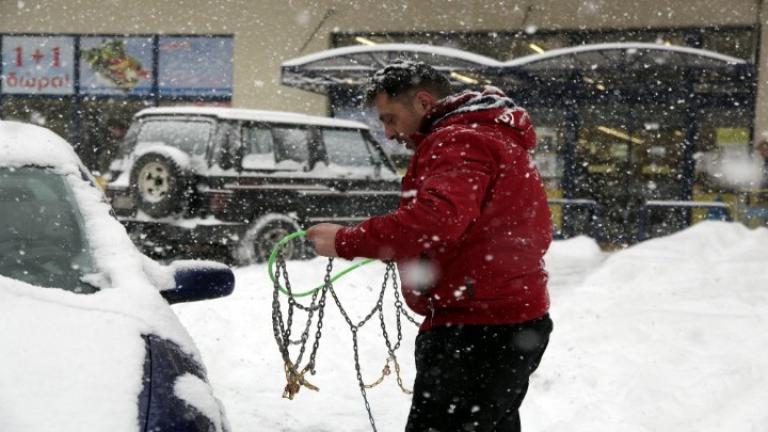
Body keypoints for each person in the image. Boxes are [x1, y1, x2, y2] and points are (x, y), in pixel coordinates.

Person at [306, 60, 553, 432]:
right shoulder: (489, 135)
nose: (389, 133)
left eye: (390, 118)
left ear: (423, 101)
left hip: (476, 330)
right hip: (506, 321)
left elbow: (437, 220)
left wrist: (345, 240)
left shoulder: (459, 139)